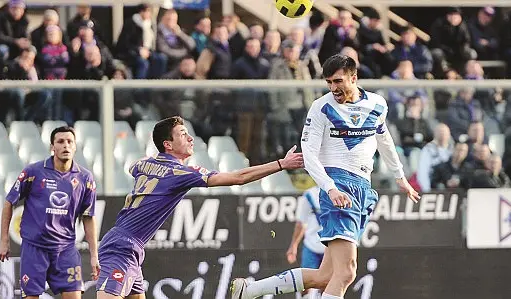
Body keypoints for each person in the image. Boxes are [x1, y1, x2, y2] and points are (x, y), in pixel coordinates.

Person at [231, 54, 420, 299]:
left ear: (354, 77)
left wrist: (399, 176)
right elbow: (309, 154)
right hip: (339, 185)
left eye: (338, 81)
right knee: (347, 273)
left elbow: (384, 139)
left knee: (325, 277)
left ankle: (250, 290)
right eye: (329, 82)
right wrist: (331, 188)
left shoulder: (377, 104)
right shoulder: (322, 107)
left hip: (363, 188)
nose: (333, 88)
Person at [95, 116, 303, 299]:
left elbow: (134, 167)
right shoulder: (180, 173)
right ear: (168, 144)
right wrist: (280, 164)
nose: (190, 138)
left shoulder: (145, 165)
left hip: (130, 247)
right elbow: (237, 178)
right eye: (183, 134)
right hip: (122, 248)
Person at [0, 126, 99, 299]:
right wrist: (4, 240)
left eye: (69, 142)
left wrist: (94, 255)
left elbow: (88, 216)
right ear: (52, 147)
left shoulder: (85, 178)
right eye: (60, 141)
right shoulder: (33, 172)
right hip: (35, 248)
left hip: (66, 249)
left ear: (75, 146)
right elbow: (9, 202)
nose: (65, 145)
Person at [286, 185, 325, 298]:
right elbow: (301, 223)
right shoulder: (310, 195)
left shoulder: (340, 192)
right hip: (311, 246)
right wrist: (293, 246)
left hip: (331, 248)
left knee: (329, 285)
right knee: (305, 284)